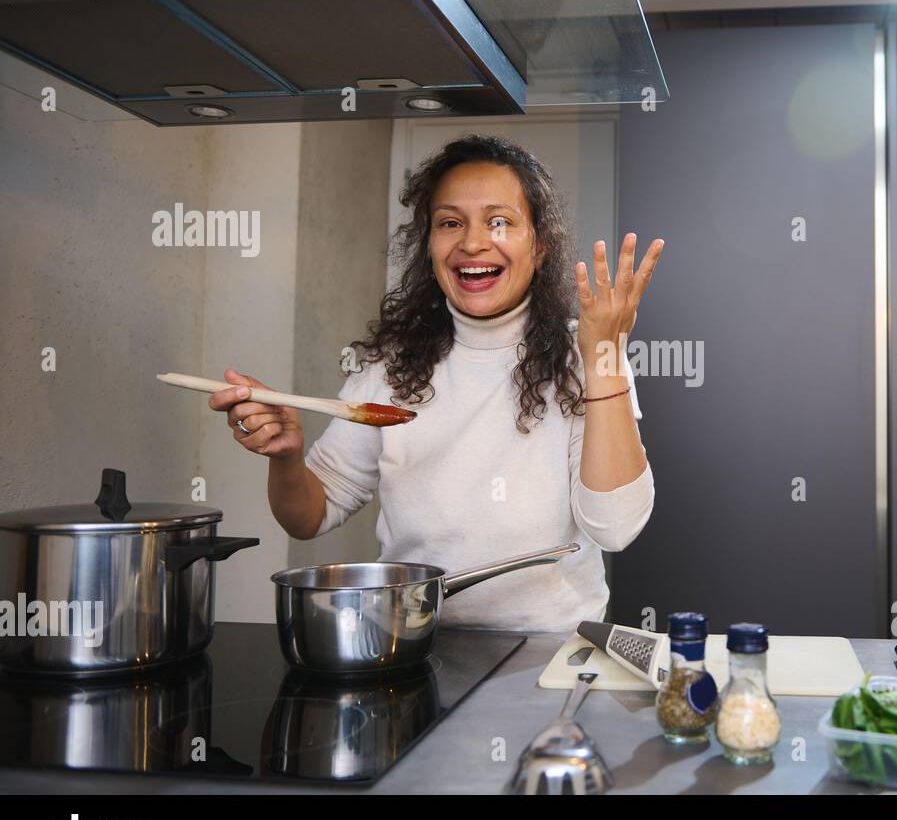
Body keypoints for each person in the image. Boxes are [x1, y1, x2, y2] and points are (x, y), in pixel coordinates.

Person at [208, 134, 662, 633]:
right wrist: (287, 457)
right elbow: (308, 516)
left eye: (499, 221)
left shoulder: (586, 356)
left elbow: (616, 527)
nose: (472, 243)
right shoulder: (388, 365)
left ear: (539, 247)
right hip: (413, 644)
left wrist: (605, 358)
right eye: (450, 223)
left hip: (550, 654)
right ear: (429, 247)